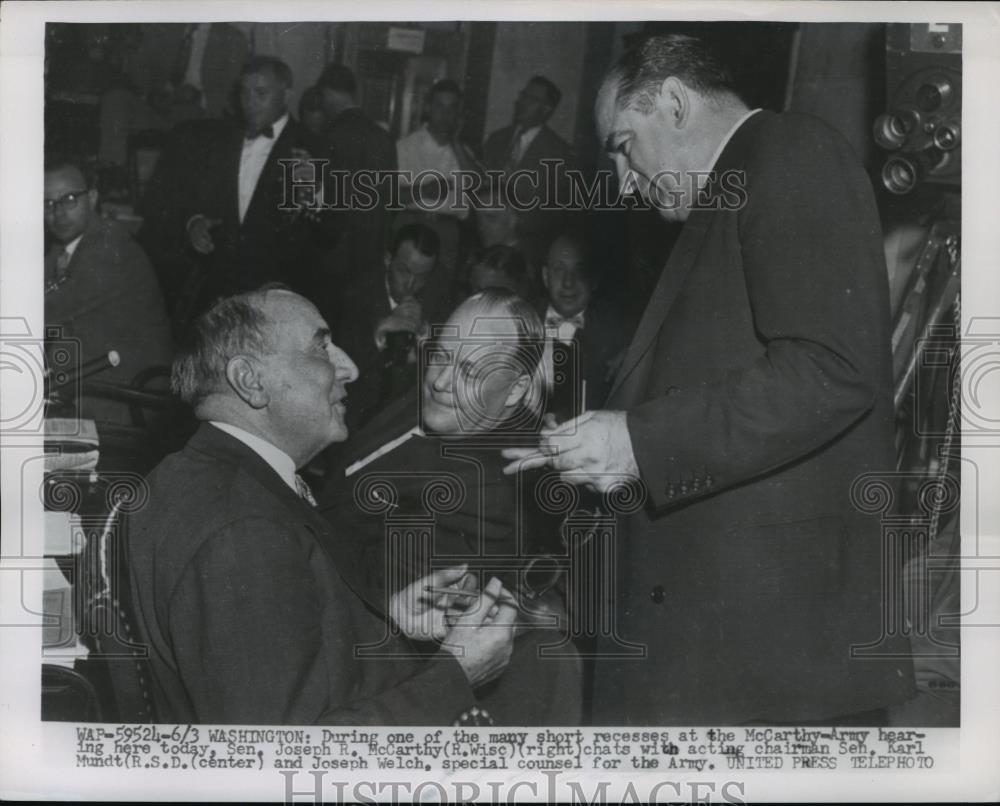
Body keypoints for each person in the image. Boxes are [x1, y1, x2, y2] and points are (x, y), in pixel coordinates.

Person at [503, 34, 916, 725]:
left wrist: (636, 441)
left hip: (768, 650)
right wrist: (602, 443)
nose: (622, 180)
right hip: (725, 640)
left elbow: (831, 368)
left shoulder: (789, 152)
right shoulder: (731, 188)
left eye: (623, 146)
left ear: (673, 102)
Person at [128, 285, 521, 724]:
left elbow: (287, 651)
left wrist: (389, 621)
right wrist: (456, 675)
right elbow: (285, 754)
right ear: (250, 382)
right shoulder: (243, 533)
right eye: (321, 349)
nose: (350, 367)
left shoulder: (206, 477)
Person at [320, 288, 581, 724]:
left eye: (470, 370)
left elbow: (370, 607)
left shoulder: (488, 493)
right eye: (441, 355)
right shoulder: (444, 406)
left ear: (515, 390)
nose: (441, 381)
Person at [137, 55, 336, 334]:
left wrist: (316, 192)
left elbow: (332, 232)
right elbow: (188, 200)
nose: (250, 102)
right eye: (244, 93)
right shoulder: (218, 141)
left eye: (261, 93)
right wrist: (194, 222)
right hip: (217, 296)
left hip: (277, 302)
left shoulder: (315, 147)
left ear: (287, 94)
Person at [44, 155, 173, 426]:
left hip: (122, 397)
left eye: (69, 199)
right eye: (48, 203)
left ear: (92, 198)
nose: (57, 212)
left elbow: (43, 310)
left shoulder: (110, 249)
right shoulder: (64, 247)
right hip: (84, 380)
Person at [335, 223, 443, 432]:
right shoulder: (355, 296)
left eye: (421, 277)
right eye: (403, 271)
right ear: (387, 259)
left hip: (394, 420)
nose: (410, 285)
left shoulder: (435, 303)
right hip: (350, 415)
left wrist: (423, 344)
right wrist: (378, 334)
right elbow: (338, 371)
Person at [316, 64, 398, 323]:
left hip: (334, 255)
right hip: (372, 256)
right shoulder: (383, 137)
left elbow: (323, 200)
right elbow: (391, 200)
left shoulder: (330, 135)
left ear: (328, 94)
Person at [396, 80, 480, 301]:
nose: (445, 115)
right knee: (405, 292)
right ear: (427, 108)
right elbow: (390, 196)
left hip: (447, 232)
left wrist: (456, 143)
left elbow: (480, 189)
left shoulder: (463, 152)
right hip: (412, 225)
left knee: (438, 296)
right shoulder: (405, 147)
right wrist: (423, 190)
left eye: (452, 108)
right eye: (439, 106)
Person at [483, 75, 575, 270]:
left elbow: (553, 213)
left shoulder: (559, 152)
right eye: (523, 95)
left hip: (527, 253)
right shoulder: (496, 139)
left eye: (532, 99)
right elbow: (482, 188)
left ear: (547, 109)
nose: (522, 102)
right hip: (487, 245)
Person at [537, 232, 625, 419]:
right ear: (545, 276)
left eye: (579, 271)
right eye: (559, 270)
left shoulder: (618, 336)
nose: (568, 282)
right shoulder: (517, 320)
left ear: (593, 280)